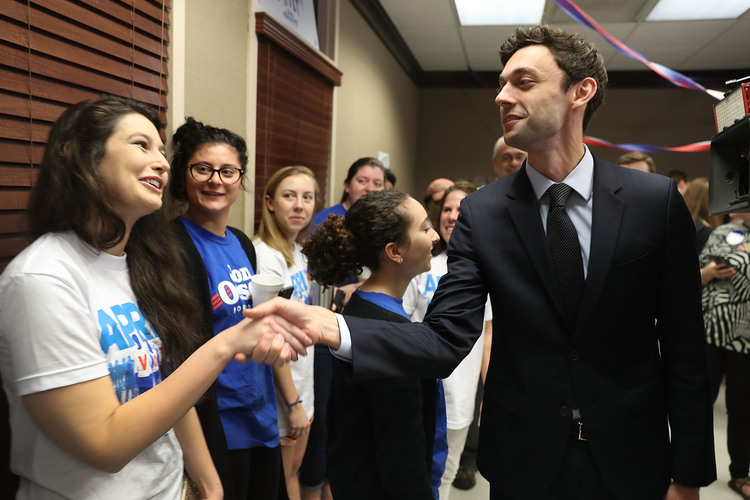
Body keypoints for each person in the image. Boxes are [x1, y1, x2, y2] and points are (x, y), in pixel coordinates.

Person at [249, 23, 716, 499]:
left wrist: (689, 475)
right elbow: (446, 337)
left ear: (581, 91)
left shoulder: (652, 202)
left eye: (523, 82)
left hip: (632, 456)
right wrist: (335, 329)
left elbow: (685, 347)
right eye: (501, 84)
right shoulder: (483, 212)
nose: (502, 96)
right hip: (524, 461)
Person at [0, 96, 293, 499]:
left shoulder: (142, 264)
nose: (162, 162)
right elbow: (105, 445)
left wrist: (208, 485)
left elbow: (164, 383)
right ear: (82, 157)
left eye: (161, 150)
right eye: (142, 145)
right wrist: (226, 344)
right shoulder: (42, 278)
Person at [168, 117, 291, 499]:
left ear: (241, 178)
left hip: (261, 410)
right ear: (184, 174)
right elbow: (178, 347)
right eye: (202, 168)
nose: (215, 180)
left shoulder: (242, 243)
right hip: (216, 418)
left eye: (228, 171)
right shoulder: (172, 244)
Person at [304, 189, 441, 499]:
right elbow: (401, 455)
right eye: (424, 228)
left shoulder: (360, 306)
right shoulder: (388, 334)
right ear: (395, 252)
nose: (434, 236)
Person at [301, 156, 387, 500]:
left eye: (376, 183)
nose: (368, 187)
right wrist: (349, 291)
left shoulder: (380, 221)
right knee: (325, 422)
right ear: (348, 184)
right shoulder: (328, 219)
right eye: (362, 180)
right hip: (327, 331)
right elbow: (313, 281)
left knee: (351, 424)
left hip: (364, 331)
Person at [403, 181, 493, 500]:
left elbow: (488, 334)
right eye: (447, 209)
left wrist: (489, 390)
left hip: (462, 392)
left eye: (462, 209)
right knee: (414, 473)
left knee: (447, 471)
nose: (453, 216)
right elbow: (399, 324)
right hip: (419, 387)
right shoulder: (422, 264)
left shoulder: (489, 269)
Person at [254, 166, 320, 500]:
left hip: (303, 382)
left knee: (294, 471)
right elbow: (271, 336)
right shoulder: (267, 258)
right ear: (269, 202)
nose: (299, 205)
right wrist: (293, 402)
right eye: (289, 196)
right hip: (284, 392)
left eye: (307, 197)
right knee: (285, 479)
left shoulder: (298, 253)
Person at [699, 214, 750, 499]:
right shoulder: (725, 232)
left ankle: (740, 474)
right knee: (697, 402)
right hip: (712, 332)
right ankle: (682, 467)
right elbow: (697, 268)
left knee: (742, 410)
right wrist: (709, 270)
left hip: (746, 340)